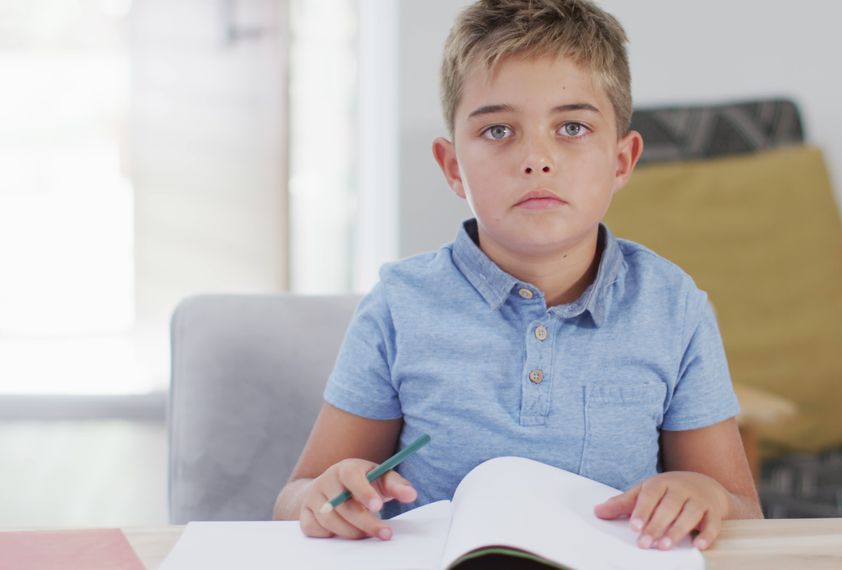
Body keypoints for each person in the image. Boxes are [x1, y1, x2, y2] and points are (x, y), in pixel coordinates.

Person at [273, 0, 762, 551]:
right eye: (499, 130)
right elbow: (294, 498)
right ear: (454, 166)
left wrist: (705, 494)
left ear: (621, 161)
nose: (536, 158)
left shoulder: (673, 307)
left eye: (572, 127)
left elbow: (743, 513)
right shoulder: (399, 306)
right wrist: (322, 497)